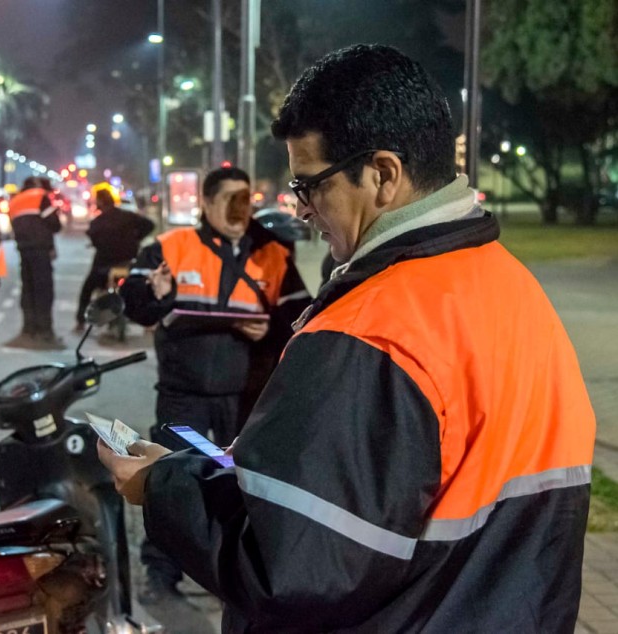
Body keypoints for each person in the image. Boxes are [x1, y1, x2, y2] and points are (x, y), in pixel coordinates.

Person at [99, 44, 597, 632]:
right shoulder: (511, 286)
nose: (302, 210)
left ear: (383, 174)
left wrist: (163, 487)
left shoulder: (374, 329)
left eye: (309, 185)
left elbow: (292, 568)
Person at [119, 165, 311, 604]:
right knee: (167, 475)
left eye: (246, 198)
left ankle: (234, 576)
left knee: (240, 486)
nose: (239, 209)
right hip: (183, 395)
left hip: (245, 399)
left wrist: (273, 329)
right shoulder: (170, 248)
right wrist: (158, 294)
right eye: (229, 199)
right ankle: (161, 572)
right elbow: (134, 305)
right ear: (206, 204)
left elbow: (303, 322)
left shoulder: (273, 255)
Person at [74, 186, 155, 331]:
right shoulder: (129, 216)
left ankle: (80, 321)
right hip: (128, 264)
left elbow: (93, 238)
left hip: (103, 267)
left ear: (100, 202)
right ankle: (149, 323)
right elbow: (149, 225)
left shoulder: (97, 223)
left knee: (87, 289)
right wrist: (136, 239)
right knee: (143, 288)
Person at [5, 176, 64, 349]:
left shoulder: (14, 201)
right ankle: (45, 331)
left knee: (28, 289)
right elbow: (54, 224)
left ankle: (28, 329)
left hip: (24, 250)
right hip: (40, 250)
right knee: (44, 291)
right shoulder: (39, 196)